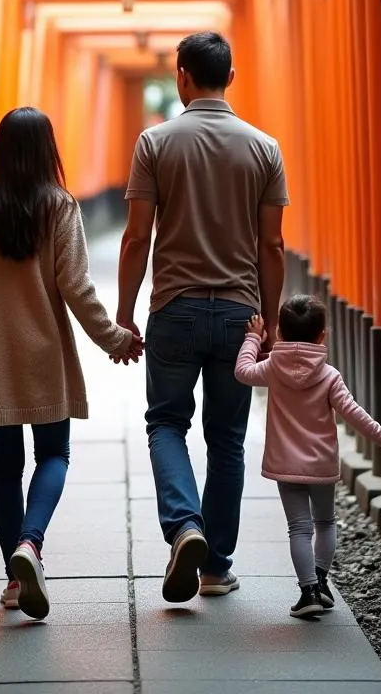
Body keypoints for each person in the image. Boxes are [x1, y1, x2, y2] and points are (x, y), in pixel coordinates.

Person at [0, 106, 143, 620]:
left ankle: (14, 580)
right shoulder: (59, 205)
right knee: (54, 455)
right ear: (47, 150)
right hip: (45, 354)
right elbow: (76, 286)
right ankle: (31, 544)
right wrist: (114, 338)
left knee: (4, 467)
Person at [117, 31, 289, 603]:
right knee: (228, 438)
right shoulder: (264, 148)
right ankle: (215, 566)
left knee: (166, 423)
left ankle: (184, 525)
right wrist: (272, 321)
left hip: (174, 308)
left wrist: (123, 311)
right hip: (240, 311)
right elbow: (273, 246)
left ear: (181, 77)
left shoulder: (155, 142)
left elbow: (138, 234)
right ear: (231, 78)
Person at [235, 295, 381, 619]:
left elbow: (243, 371)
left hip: (286, 465)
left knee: (299, 529)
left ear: (280, 335)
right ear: (322, 336)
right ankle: (322, 582)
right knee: (326, 522)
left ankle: (308, 590)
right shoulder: (330, 376)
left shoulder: (273, 367)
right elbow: (353, 413)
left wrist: (252, 337)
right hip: (322, 464)